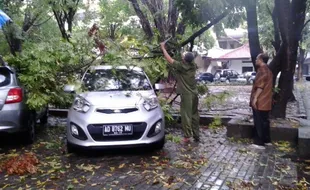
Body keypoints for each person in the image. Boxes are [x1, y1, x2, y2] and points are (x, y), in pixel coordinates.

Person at [160, 41, 200, 143]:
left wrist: (163, 48)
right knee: (194, 114)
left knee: (186, 115)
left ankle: (187, 136)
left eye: (184, 56)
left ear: (184, 60)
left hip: (187, 95)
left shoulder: (182, 67)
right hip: (194, 94)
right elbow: (186, 57)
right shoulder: (193, 65)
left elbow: (169, 60)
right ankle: (196, 135)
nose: (182, 56)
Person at [249, 53, 273, 150]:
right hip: (267, 100)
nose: (255, 60)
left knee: (258, 121)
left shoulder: (262, 70)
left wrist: (255, 98)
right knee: (265, 121)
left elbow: (260, 86)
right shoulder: (268, 70)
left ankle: (259, 143)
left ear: (261, 60)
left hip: (260, 100)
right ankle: (267, 140)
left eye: (257, 58)